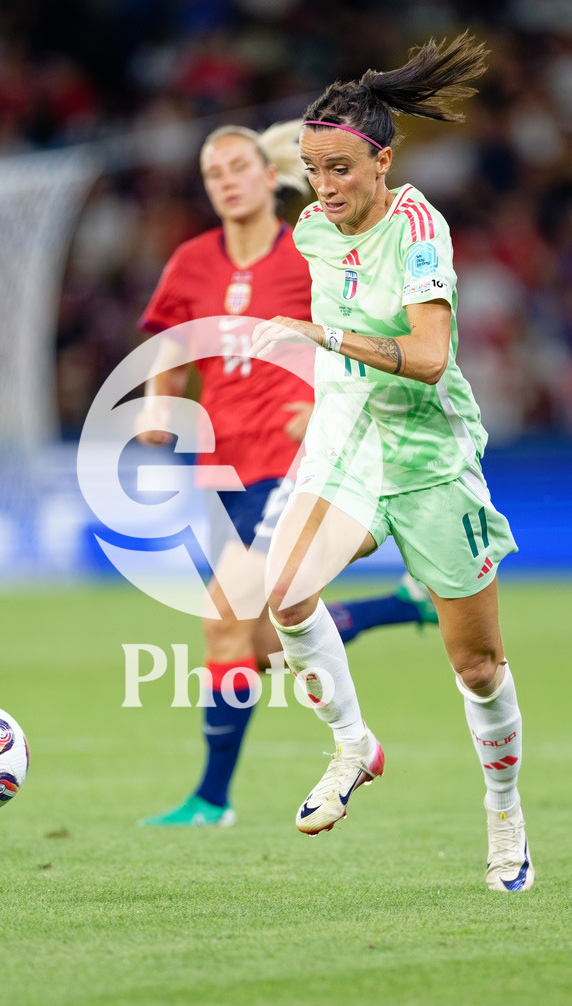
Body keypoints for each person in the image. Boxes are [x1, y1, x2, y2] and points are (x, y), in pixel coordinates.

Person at [249, 32, 532, 891]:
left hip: (430, 458)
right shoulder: (309, 231)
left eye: (339, 169)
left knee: (475, 665)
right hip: (348, 446)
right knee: (286, 593)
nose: (323, 187)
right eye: (311, 167)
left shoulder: (417, 228)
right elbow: (340, 352)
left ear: (381, 163)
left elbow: (428, 355)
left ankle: (505, 813)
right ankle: (352, 747)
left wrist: (319, 336)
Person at [135, 117, 438, 828]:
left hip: (300, 456)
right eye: (213, 173)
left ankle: (211, 799)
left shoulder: (311, 249)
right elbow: (173, 346)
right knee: (262, 640)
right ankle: (395, 607)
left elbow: (364, 322)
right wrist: (157, 400)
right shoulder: (190, 263)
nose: (227, 181)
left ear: (267, 175)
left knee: (221, 620)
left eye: (238, 166)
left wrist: (327, 400)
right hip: (225, 468)